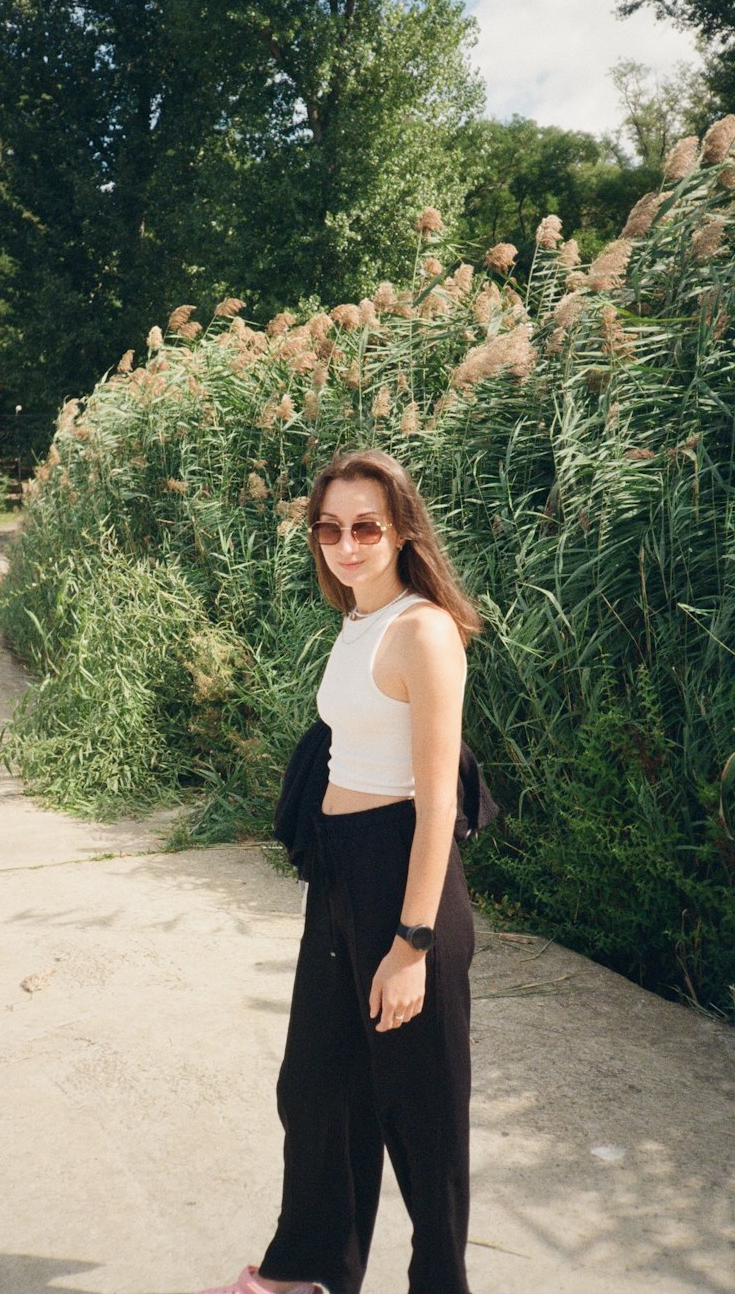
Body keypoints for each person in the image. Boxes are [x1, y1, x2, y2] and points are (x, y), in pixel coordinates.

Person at [199, 449, 480, 1294]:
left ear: (401, 532)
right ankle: (306, 1273)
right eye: (330, 528)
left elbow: (437, 807)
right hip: (341, 881)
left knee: (421, 1119)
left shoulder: (423, 631)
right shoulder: (358, 619)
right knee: (318, 1091)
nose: (346, 544)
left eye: (366, 527)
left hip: (405, 883)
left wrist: (412, 945)